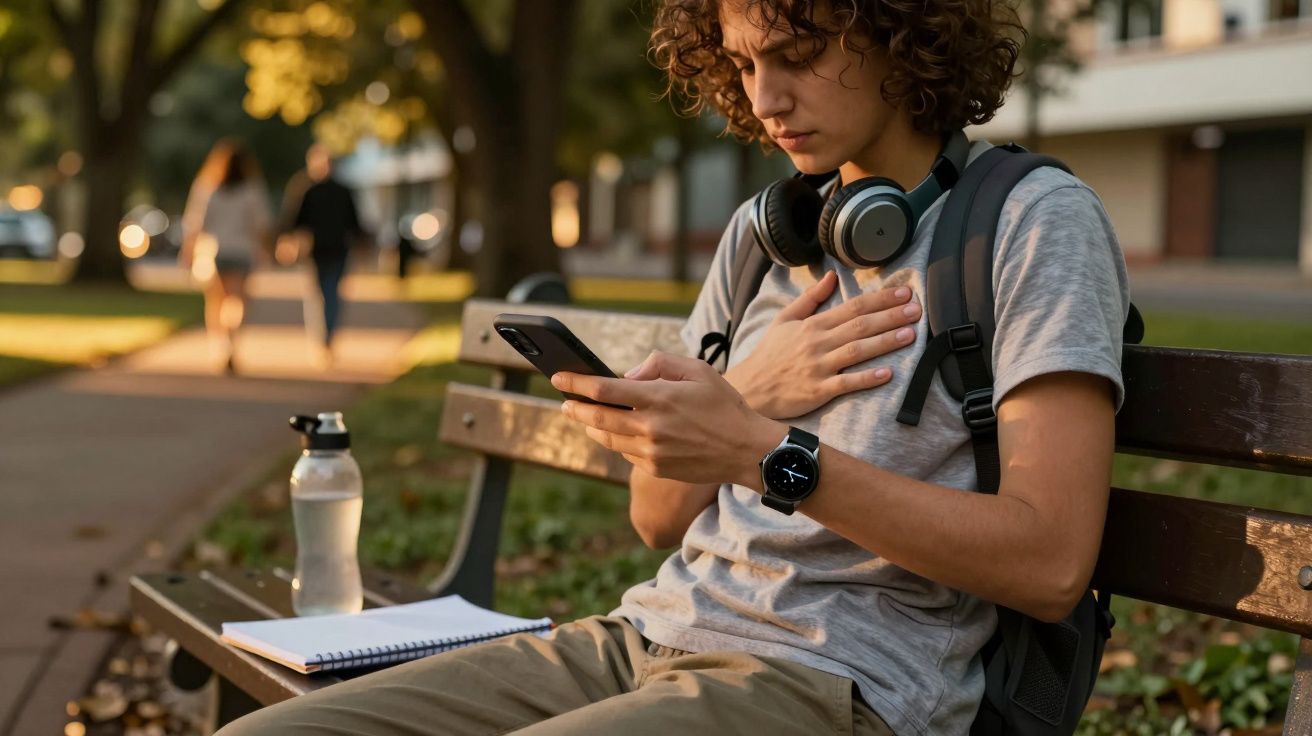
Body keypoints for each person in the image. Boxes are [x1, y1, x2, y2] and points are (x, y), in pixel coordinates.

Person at [218, 0, 1130, 733]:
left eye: (797, 53)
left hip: (841, 680)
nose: (765, 97)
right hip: (644, 635)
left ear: (900, 32)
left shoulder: (1032, 222)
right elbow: (655, 519)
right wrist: (748, 395)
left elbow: (1050, 562)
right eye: (742, 64)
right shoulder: (764, 235)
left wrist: (763, 451)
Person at [179, 139, 272, 374]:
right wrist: (266, 250)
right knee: (238, 301)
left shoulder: (207, 187)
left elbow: (195, 224)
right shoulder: (251, 190)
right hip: (242, 251)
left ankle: (220, 345)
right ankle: (232, 342)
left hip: (214, 253)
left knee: (216, 302)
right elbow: (261, 225)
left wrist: (188, 252)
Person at [280, 143, 367, 367]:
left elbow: (354, 223)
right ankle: (323, 338)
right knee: (320, 295)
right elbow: (294, 220)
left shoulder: (340, 191)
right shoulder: (306, 189)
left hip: (337, 250)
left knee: (330, 294)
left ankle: (326, 338)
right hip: (315, 252)